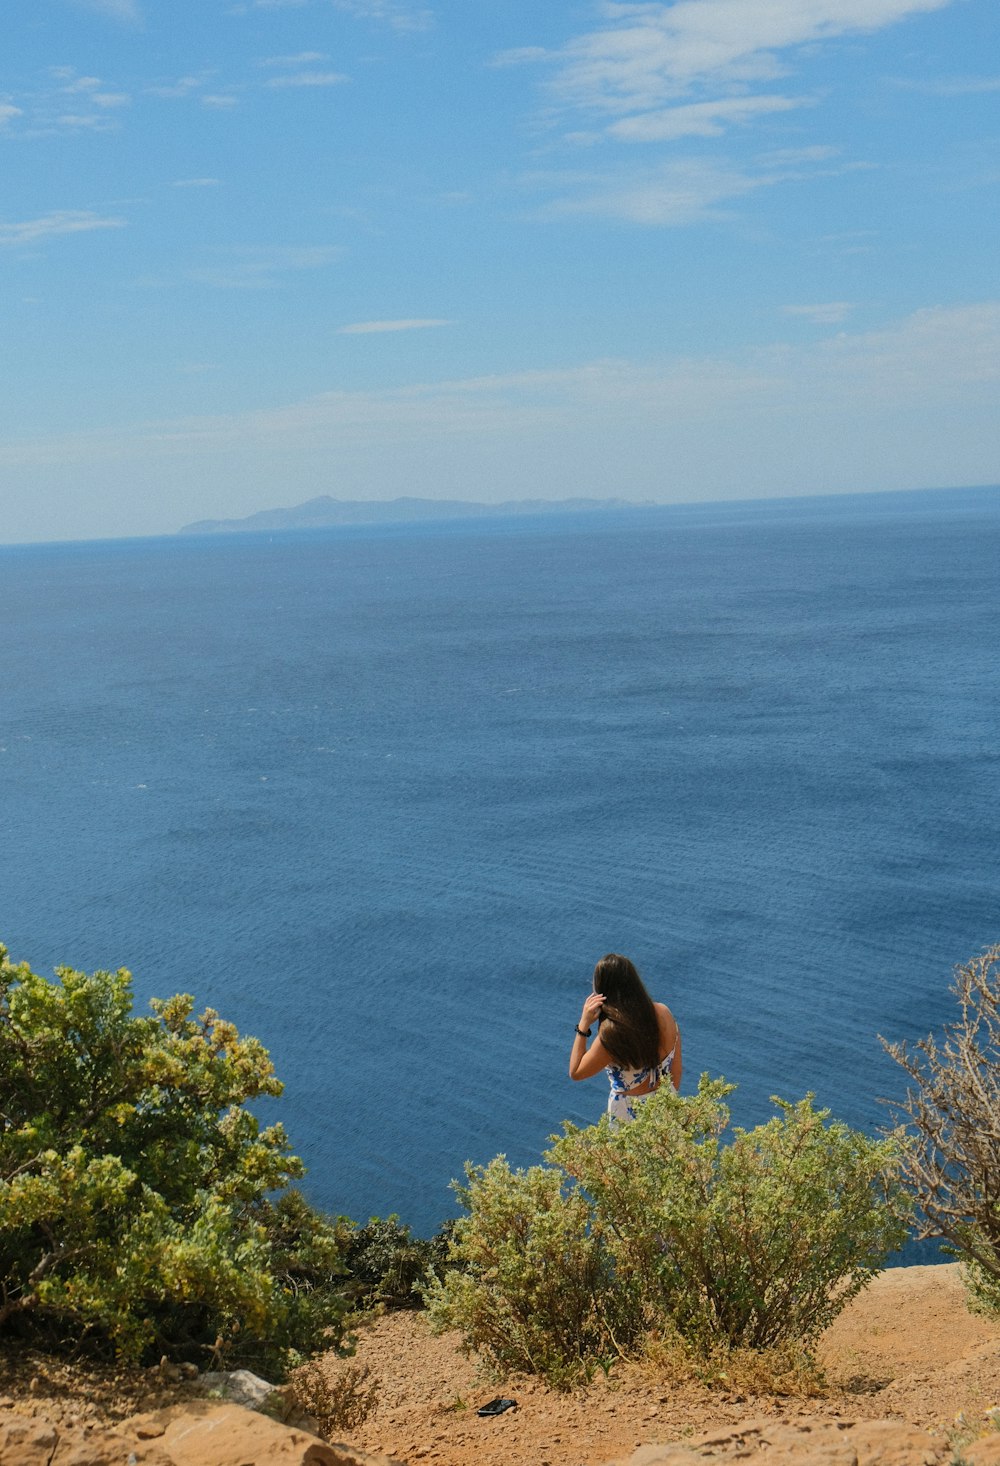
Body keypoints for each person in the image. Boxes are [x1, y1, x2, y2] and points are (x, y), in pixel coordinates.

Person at [568, 953, 682, 1124]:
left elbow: (576, 1072)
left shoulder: (613, 1034)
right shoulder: (664, 1013)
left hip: (628, 1120)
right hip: (667, 1110)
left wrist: (583, 1025)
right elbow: (676, 1071)